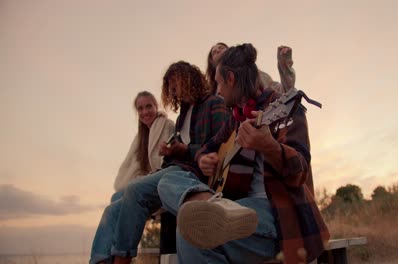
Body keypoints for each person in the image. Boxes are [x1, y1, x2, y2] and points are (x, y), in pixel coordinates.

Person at [157, 44, 330, 264]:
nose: (217, 91)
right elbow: (207, 147)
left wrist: (270, 147)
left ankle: (215, 209)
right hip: (235, 209)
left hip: (277, 216)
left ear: (230, 79)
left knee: (194, 232)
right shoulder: (234, 119)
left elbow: (300, 172)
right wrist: (203, 159)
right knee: (166, 181)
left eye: (219, 83)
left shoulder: (283, 107)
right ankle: (215, 205)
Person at [89, 61, 228, 264]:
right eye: (170, 85)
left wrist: (184, 150)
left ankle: (122, 259)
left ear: (189, 79)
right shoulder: (182, 118)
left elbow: (221, 144)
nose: (173, 89)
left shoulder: (213, 103)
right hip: (174, 170)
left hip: (190, 177)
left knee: (135, 189)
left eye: (176, 82)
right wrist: (170, 152)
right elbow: (180, 154)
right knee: (112, 209)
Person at [111, 91, 174, 202]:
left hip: (161, 181)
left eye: (148, 106)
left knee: (118, 198)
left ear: (156, 106)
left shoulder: (167, 126)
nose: (145, 112)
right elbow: (135, 167)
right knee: (116, 197)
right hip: (144, 181)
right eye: (140, 109)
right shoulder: (140, 138)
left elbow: (166, 162)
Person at [206, 42, 296, 95]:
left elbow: (285, 92)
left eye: (221, 48)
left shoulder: (257, 74)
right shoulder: (212, 94)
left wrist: (284, 64)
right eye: (214, 52)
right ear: (212, 63)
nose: (217, 50)